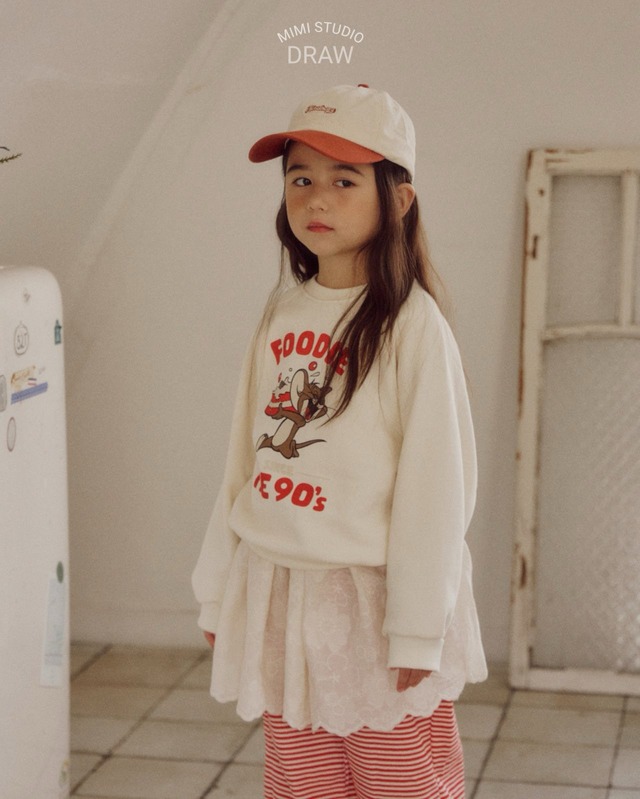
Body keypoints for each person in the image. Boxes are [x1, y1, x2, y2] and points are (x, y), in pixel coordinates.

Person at [192, 83, 487, 799]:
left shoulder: (412, 325)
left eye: (344, 180)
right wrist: (217, 592)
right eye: (300, 178)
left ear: (398, 199)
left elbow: (437, 487)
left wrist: (417, 626)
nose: (316, 198)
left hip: (371, 601)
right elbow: (244, 460)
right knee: (302, 778)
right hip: (278, 590)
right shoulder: (281, 312)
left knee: (396, 778)